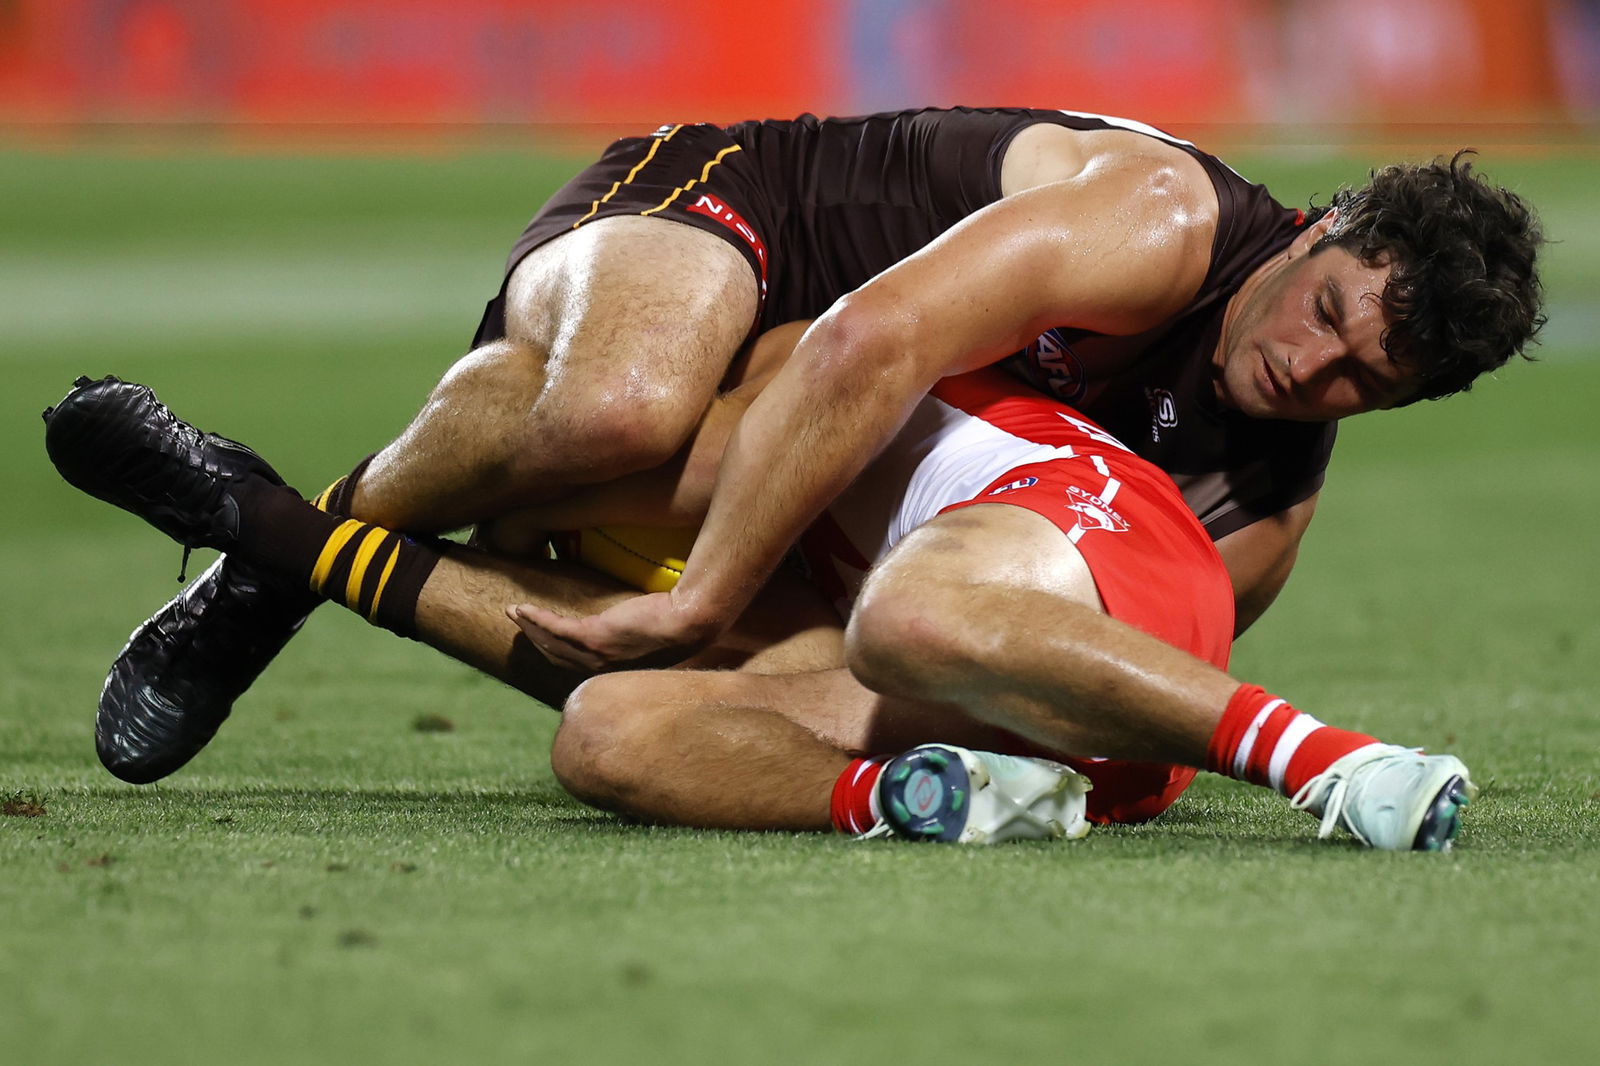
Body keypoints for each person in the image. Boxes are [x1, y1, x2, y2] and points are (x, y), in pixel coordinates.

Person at [73, 107, 1544, 784]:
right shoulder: (1163, 225)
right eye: (1333, 310)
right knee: (625, 412)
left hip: (854, 423)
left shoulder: (1262, 512)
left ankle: (272, 537)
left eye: (1366, 381)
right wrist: (710, 591)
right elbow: (864, 344)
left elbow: (996, 658)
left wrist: (749, 677)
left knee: (704, 677)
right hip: (753, 228)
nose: (1311, 366)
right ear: (1327, 225)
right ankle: (287, 542)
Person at [43, 319, 1475, 851]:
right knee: (606, 730)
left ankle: (1343, 766)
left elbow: (558, 492)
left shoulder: (779, 391)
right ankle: (958, 808)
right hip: (1037, 739)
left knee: (869, 604)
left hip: (1077, 552)